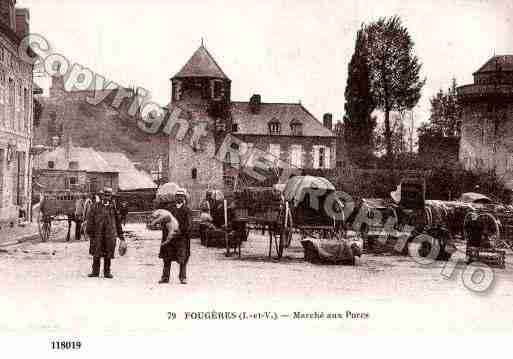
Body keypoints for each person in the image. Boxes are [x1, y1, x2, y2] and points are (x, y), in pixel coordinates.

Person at [86, 187, 125, 279]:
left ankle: (107, 272)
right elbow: (90, 220)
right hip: (97, 234)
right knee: (96, 252)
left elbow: (118, 222)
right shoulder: (95, 206)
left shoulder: (113, 208)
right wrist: (90, 232)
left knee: (108, 252)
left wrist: (121, 236)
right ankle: (95, 272)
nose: (107, 197)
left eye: (109, 196)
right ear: (102, 196)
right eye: (105, 195)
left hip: (109, 234)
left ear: (111, 197)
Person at [157, 189, 192, 284]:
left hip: (181, 238)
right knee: (167, 258)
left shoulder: (187, 210)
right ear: (175, 197)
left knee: (182, 258)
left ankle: (183, 277)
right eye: (177, 196)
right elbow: (164, 221)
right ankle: (165, 277)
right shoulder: (169, 208)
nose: (179, 198)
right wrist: (166, 230)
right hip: (170, 237)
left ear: (184, 198)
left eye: (181, 196)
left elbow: (189, 225)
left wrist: (181, 232)